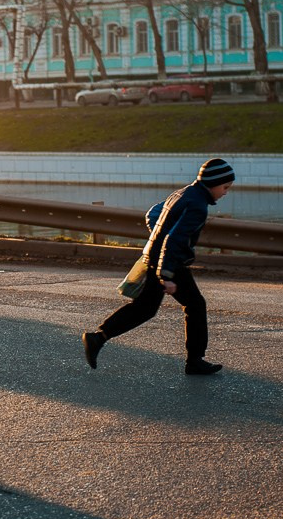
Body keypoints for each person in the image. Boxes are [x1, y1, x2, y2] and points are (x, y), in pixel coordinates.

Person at [82, 158, 236, 376]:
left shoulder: (182, 193)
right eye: (225, 187)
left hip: (156, 257)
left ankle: (98, 337)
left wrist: (157, 238)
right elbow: (175, 239)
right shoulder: (197, 205)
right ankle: (195, 361)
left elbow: (154, 214)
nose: (225, 192)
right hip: (170, 263)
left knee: (145, 308)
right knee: (195, 305)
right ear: (213, 183)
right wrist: (166, 274)